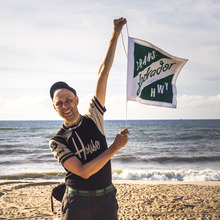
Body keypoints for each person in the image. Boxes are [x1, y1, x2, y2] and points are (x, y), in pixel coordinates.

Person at [49, 17, 129, 220]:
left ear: (76, 100)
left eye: (68, 100)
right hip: (77, 203)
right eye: (59, 103)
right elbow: (84, 172)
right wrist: (115, 147)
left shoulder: (94, 117)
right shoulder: (57, 141)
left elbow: (103, 73)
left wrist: (115, 33)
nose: (65, 106)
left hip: (106, 200)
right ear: (54, 107)